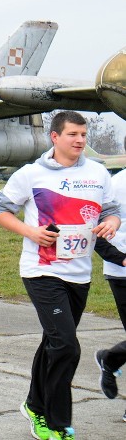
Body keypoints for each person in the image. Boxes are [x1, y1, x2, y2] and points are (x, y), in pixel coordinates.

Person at [0, 111, 123, 440]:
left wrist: (113, 224)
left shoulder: (97, 172)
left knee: (54, 342)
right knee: (67, 346)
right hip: (42, 272)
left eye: (83, 134)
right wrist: (30, 232)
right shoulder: (32, 174)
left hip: (79, 274)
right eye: (72, 135)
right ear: (55, 137)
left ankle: (34, 406)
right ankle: (56, 422)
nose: (79, 140)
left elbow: (110, 211)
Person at [95, 158, 126, 423]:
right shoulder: (114, 187)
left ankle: (111, 359)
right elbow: (96, 235)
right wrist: (123, 259)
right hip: (123, 274)